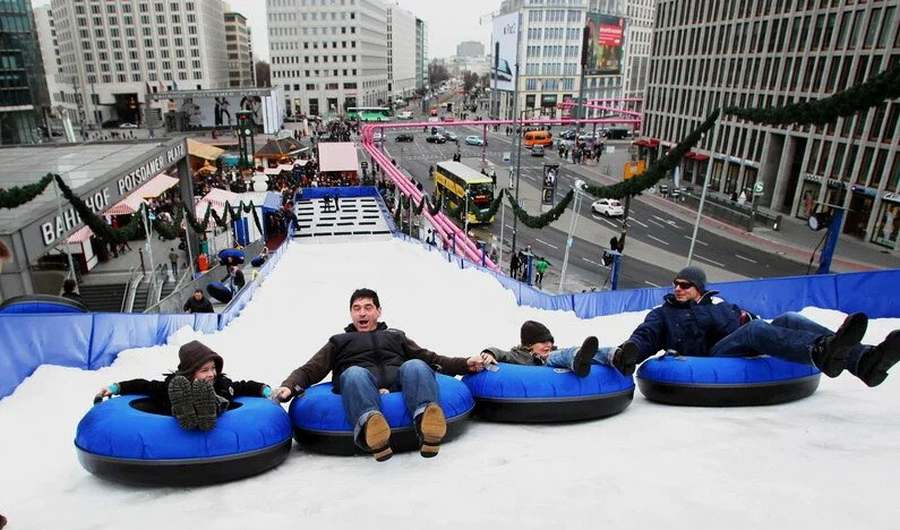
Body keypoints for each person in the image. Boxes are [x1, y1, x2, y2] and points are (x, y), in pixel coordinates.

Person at [272, 288, 490, 461]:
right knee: (354, 373)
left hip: (398, 383)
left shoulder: (395, 336)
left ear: (378, 311)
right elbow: (311, 369)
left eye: (368, 307)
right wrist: (290, 386)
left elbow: (431, 359)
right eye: (356, 308)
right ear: (351, 313)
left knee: (415, 364)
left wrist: (465, 364)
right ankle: (373, 427)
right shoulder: (339, 341)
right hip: (360, 386)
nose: (362, 313)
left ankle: (427, 422)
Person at [605, 267, 900, 388]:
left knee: (789, 320)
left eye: (685, 285)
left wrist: (735, 315)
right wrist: (632, 349)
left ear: (698, 288)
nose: (678, 289)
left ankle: (864, 361)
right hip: (708, 356)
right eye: (676, 284)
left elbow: (744, 321)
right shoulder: (664, 313)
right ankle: (819, 352)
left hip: (736, 344)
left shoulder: (720, 305)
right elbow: (646, 335)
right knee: (756, 331)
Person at [96, 340, 272, 431]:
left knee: (218, 396)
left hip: (213, 403)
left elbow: (244, 386)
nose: (211, 374)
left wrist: (264, 389)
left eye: (213, 368)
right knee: (171, 397)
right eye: (204, 370)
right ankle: (185, 409)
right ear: (190, 371)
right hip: (180, 405)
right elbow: (144, 385)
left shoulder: (222, 384)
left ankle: (208, 406)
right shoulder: (174, 386)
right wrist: (115, 387)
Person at [480, 321, 599, 377]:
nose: (548, 345)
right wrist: (490, 353)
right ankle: (578, 360)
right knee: (554, 356)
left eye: (550, 342)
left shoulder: (553, 351)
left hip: (569, 358)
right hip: (543, 370)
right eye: (543, 342)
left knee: (571, 352)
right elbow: (502, 354)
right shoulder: (519, 356)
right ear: (529, 345)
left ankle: (614, 355)